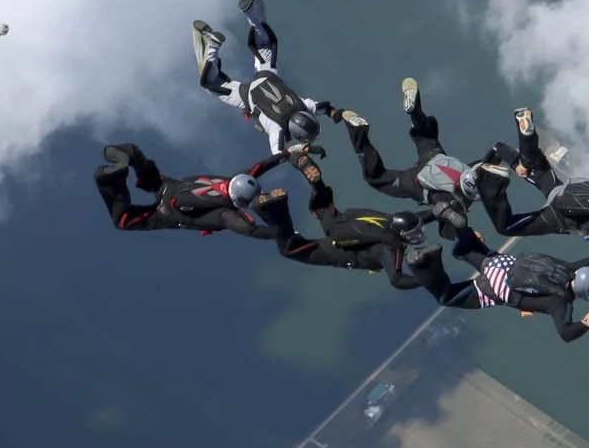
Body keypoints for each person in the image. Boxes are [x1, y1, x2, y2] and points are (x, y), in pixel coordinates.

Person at [472, 107, 589, 259]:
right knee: (506, 227)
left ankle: (522, 141)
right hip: (556, 217)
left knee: (531, 163)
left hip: (563, 185)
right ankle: (491, 178)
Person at [341, 76, 482, 252]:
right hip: (415, 182)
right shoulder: (452, 203)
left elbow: (483, 163)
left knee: (426, 134)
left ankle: (415, 112)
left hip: (434, 157)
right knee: (376, 177)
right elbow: (444, 229)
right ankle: (358, 130)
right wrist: (469, 234)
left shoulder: (470, 174)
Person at [277, 150, 449, 292]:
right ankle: (274, 206)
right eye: (415, 234)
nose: (418, 235)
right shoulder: (390, 247)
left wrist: (436, 212)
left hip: (340, 222)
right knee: (289, 250)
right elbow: (397, 280)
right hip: (338, 250)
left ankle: (313, 180)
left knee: (323, 203)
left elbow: (415, 219)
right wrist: (426, 281)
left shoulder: (391, 221)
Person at [195, 0, 328, 156]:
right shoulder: (277, 130)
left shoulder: (304, 106)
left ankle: (251, 11)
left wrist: (335, 112)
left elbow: (322, 107)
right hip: (247, 96)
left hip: (267, 76)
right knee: (212, 84)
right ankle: (212, 45)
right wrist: (308, 150)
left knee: (265, 43)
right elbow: (279, 156)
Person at [431, 236, 589, 343]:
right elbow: (566, 333)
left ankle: (463, 231)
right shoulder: (560, 302)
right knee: (446, 297)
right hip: (495, 288)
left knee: (462, 250)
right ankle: (425, 263)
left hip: (501, 263)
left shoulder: (570, 269)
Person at [92, 142, 294, 240]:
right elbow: (252, 231)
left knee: (135, 152)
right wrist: (283, 233)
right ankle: (107, 178)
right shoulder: (225, 214)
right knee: (122, 221)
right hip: (165, 212)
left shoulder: (233, 180)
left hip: (167, 186)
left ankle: (125, 156)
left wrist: (287, 154)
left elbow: (259, 167)